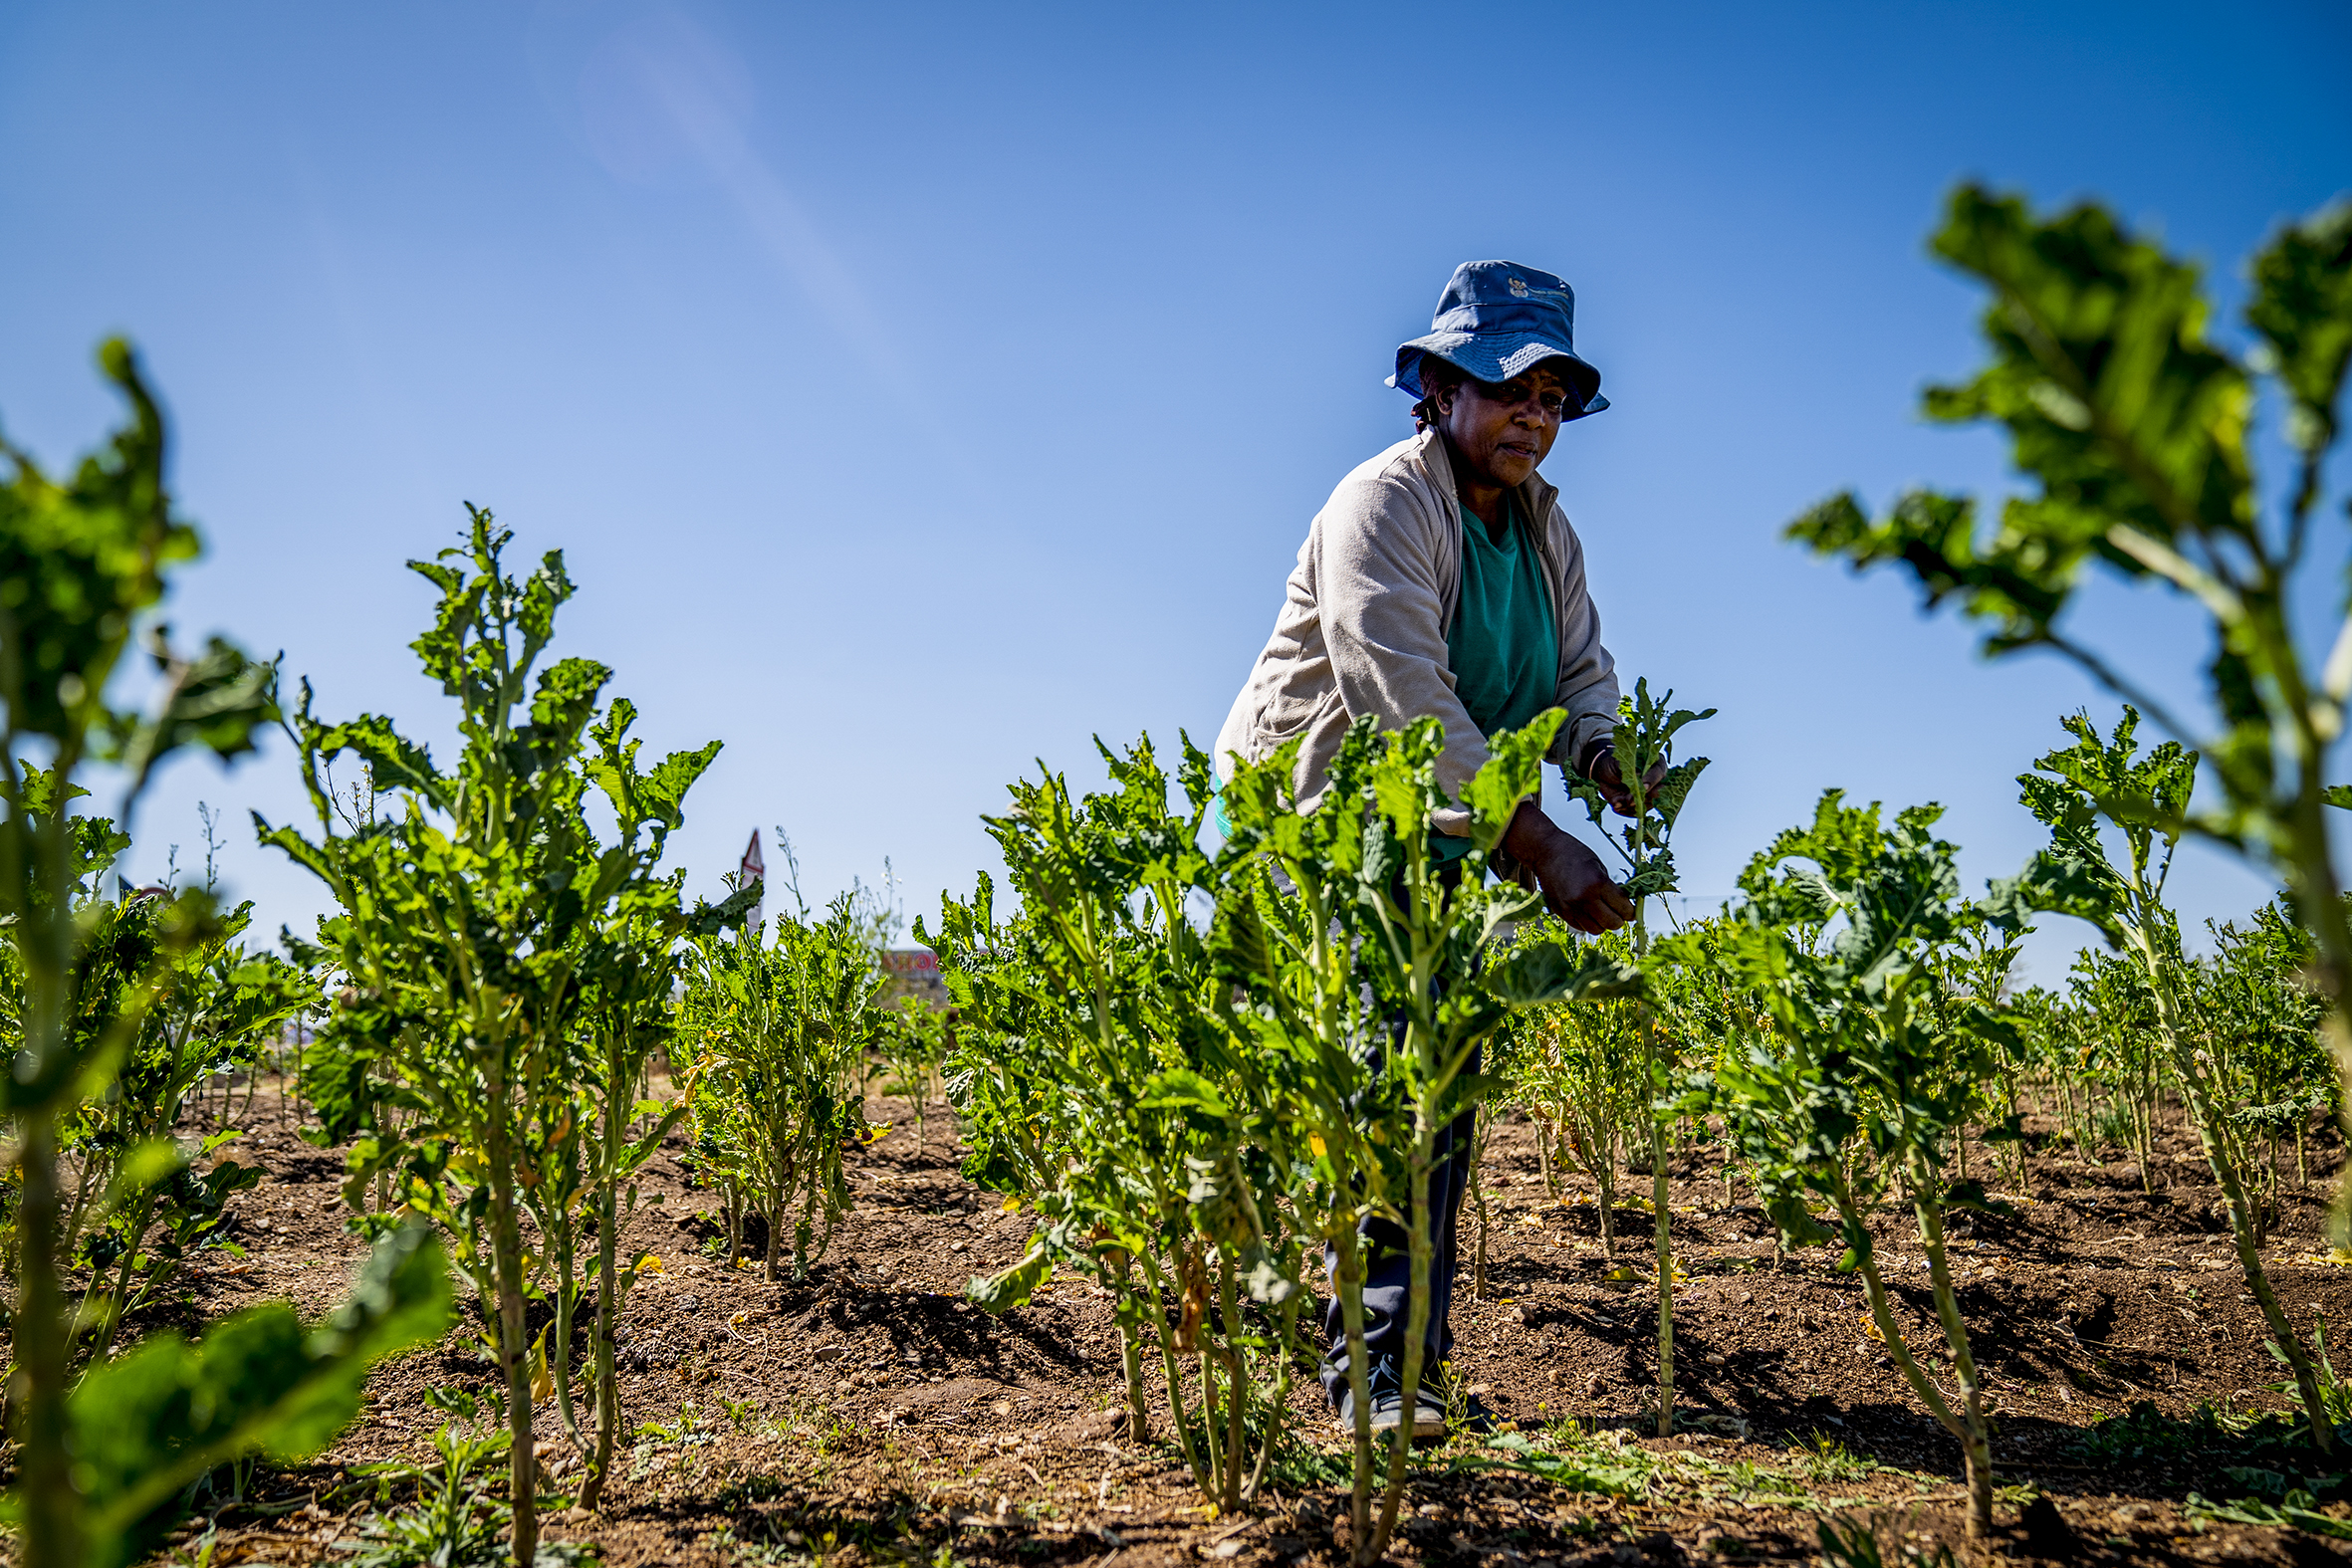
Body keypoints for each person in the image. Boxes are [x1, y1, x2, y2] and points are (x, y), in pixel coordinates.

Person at [1214, 260, 1647, 1437]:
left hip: (1449, 838)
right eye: (1511, 390)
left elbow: (1580, 673)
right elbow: (1400, 694)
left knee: (1429, 1093)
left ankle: (1393, 1371)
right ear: (1442, 388)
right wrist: (1540, 842)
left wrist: (1609, 760)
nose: (1535, 419)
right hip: (1320, 828)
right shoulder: (1384, 504)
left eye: (1554, 399)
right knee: (1369, 1089)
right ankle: (1348, 1364)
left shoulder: (1544, 528)